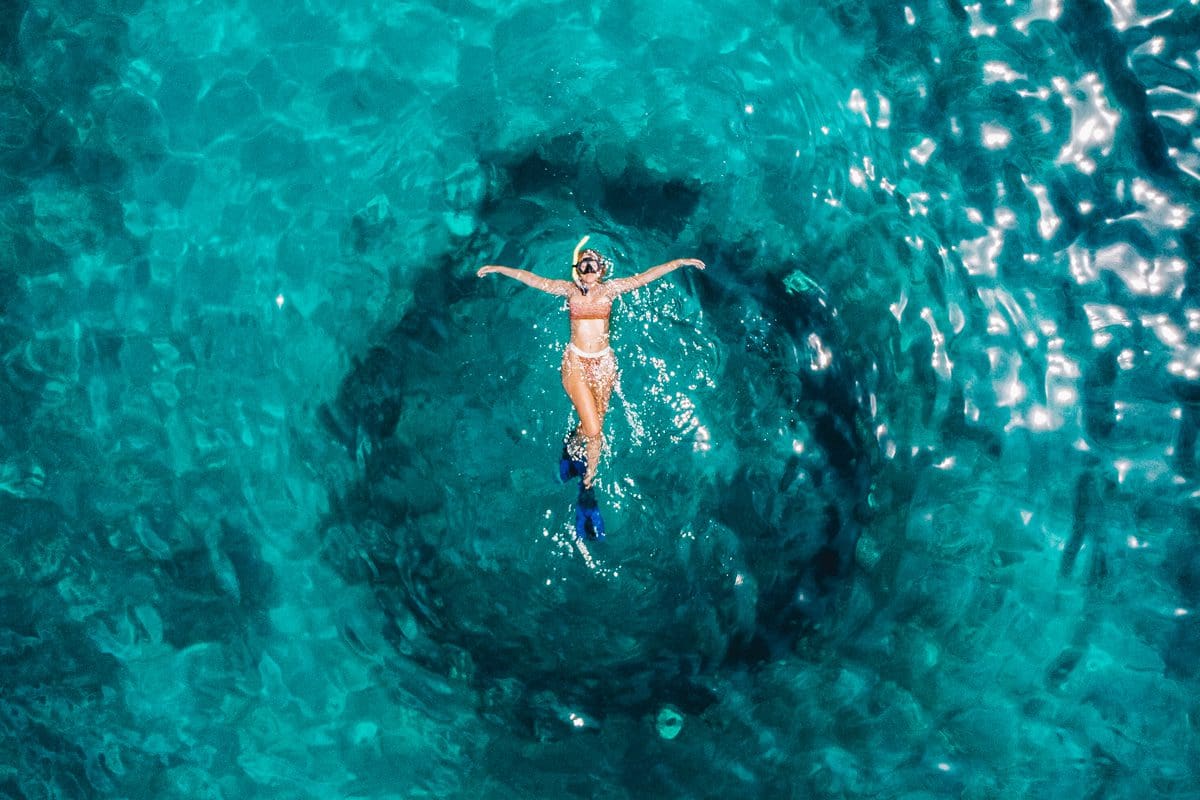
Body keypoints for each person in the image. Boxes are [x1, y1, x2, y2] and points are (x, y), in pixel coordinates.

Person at [477, 236, 705, 539]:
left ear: (601, 270)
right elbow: (532, 279)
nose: (588, 267)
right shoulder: (569, 290)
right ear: (578, 269)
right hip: (575, 362)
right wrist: (498, 268)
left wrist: (680, 262)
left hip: (604, 364)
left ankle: (587, 488)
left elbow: (647, 276)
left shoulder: (611, 290)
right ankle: (572, 442)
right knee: (594, 429)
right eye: (583, 263)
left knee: (597, 428)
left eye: (593, 263)